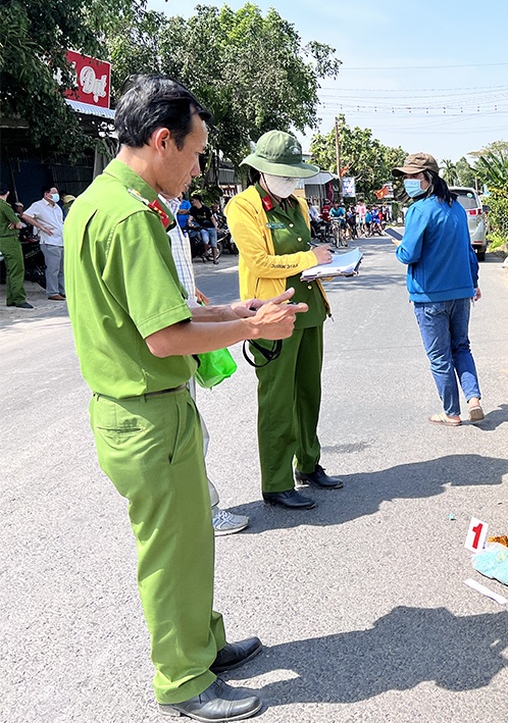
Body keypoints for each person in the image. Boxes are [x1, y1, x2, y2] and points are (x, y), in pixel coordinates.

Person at [64, 73, 306, 721]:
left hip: (144, 410)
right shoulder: (130, 217)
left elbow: (158, 313)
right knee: (173, 555)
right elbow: (167, 336)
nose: (198, 169)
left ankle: (203, 645)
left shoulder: (101, 201)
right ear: (162, 141)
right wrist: (254, 328)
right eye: (196, 154)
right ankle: (182, 679)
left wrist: (231, 310)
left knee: (192, 540)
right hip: (147, 413)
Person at [225, 130, 341, 511]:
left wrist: (328, 263)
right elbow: (259, 262)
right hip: (272, 313)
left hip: (310, 310)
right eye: (284, 173)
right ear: (262, 170)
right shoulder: (243, 207)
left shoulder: (297, 204)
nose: (291, 180)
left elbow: (306, 252)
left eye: (294, 174)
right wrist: (310, 259)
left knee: (309, 392)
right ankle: (276, 483)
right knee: (277, 398)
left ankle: (308, 463)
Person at [165, 191, 249, 536]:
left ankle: (197, 510)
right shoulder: (140, 215)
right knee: (187, 437)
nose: (196, 170)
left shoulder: (168, 211)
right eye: (192, 163)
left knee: (191, 433)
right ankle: (202, 512)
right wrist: (246, 326)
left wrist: (192, 291)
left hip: (182, 323)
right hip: (170, 344)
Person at [391, 152, 483, 426]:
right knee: (461, 347)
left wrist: (399, 247)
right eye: (406, 176)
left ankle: (451, 413)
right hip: (461, 291)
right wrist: (474, 282)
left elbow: (409, 254)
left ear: (428, 178)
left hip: (429, 295)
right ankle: (474, 399)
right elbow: (468, 251)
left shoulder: (419, 210)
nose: (408, 181)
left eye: (413, 176)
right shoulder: (457, 208)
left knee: (440, 356)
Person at [21, 185, 65, 300]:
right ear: (46, 194)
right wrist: (41, 227)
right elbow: (25, 215)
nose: (56, 195)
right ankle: (53, 292)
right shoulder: (38, 205)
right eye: (54, 193)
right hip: (50, 241)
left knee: (62, 269)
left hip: (61, 240)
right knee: (53, 269)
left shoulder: (57, 207)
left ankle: (62, 290)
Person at [0, 184, 31, 308]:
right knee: (17, 270)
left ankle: (11, 298)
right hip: (10, 240)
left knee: (10, 270)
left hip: (2, 240)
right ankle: (19, 299)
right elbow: (19, 225)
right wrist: (14, 222)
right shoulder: (5, 206)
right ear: (7, 193)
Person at [189, 195, 218, 264]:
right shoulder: (192, 209)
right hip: (203, 228)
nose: (192, 202)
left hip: (211, 227)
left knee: (214, 244)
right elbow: (190, 218)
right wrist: (189, 222)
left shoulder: (206, 209)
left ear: (197, 200)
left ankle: (215, 259)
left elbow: (212, 218)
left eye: (193, 200)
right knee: (205, 240)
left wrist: (215, 227)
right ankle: (206, 252)